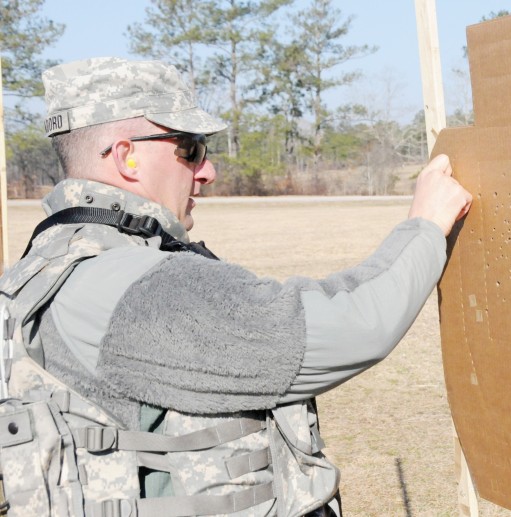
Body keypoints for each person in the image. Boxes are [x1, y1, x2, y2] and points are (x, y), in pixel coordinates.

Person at [0, 57, 471, 517]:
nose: (207, 171)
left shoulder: (43, 269)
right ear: (127, 156)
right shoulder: (134, 285)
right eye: (191, 148)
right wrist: (425, 226)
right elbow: (346, 326)